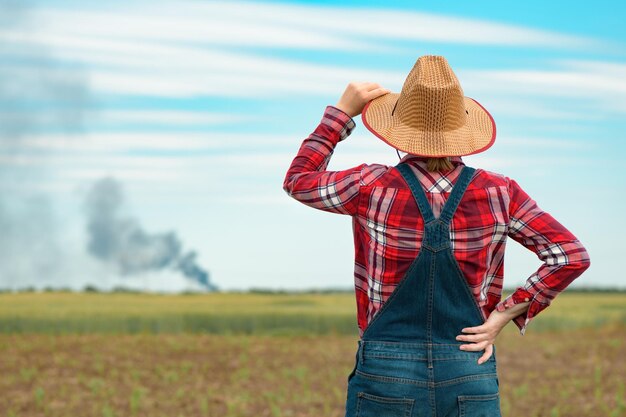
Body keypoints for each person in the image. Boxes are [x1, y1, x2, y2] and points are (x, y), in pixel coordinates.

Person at [282, 55, 590, 417]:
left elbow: (298, 181)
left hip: (386, 368)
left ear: (398, 130)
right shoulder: (499, 192)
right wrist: (502, 316)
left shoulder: (369, 185)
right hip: (468, 364)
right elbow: (570, 255)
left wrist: (340, 115)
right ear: (463, 128)